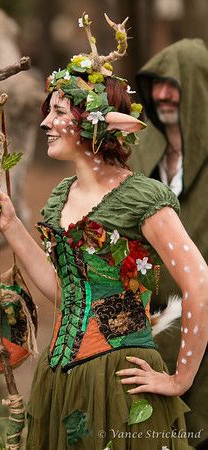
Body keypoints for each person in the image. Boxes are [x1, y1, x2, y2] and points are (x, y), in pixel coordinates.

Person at [0, 16, 208, 450]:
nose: (46, 122)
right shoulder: (60, 196)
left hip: (119, 381)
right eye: (48, 111)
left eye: (58, 112)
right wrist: (10, 225)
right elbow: (62, 290)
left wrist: (180, 379)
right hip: (58, 381)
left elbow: (200, 283)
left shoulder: (142, 196)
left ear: (94, 124)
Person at [130, 39, 208, 449]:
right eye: (156, 84)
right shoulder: (140, 154)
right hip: (154, 325)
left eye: (172, 84)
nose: (161, 94)